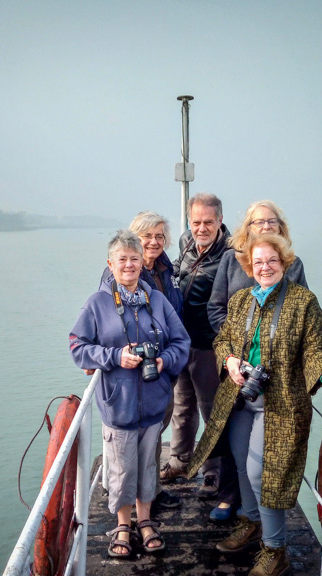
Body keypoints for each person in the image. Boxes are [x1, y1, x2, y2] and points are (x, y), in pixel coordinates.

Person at [187, 233, 322, 576]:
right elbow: (224, 339)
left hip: (281, 406)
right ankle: (250, 523)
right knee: (242, 466)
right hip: (241, 398)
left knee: (264, 475)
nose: (264, 267)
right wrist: (231, 361)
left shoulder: (303, 302)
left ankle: (276, 550)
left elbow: (316, 347)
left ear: (284, 263)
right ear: (249, 266)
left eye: (271, 261)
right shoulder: (242, 301)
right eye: (258, 262)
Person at [69, 230, 190, 558]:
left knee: (148, 466)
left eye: (134, 259)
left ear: (142, 264)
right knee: (122, 469)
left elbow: (182, 342)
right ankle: (123, 525)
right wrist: (113, 358)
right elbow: (78, 346)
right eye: (122, 259)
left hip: (153, 402)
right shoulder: (98, 303)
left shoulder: (158, 301)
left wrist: (164, 362)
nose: (129, 265)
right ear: (110, 263)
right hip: (118, 405)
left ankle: (145, 520)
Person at [205, 200, 309, 522]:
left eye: (271, 221)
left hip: (275, 380)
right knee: (236, 445)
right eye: (257, 221)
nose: (265, 226)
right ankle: (238, 507)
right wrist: (236, 347)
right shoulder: (231, 261)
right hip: (237, 369)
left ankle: (269, 540)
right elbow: (216, 308)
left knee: (258, 462)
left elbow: (304, 321)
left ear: (281, 227)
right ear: (246, 228)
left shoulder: (294, 265)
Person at [96, 212, 183, 512]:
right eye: (147, 236)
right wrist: (109, 357)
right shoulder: (118, 277)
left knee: (154, 432)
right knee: (128, 443)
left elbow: (174, 314)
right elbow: (103, 325)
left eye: (160, 236)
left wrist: (169, 358)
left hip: (160, 368)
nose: (154, 241)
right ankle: (129, 506)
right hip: (128, 375)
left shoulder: (164, 268)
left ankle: (151, 492)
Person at [160, 193, 233, 499]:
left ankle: (213, 470)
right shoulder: (186, 242)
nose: (201, 228)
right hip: (182, 343)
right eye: (196, 221)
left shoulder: (231, 254)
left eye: (208, 222)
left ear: (219, 220)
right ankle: (179, 460)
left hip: (209, 345)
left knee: (210, 410)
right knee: (181, 406)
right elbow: (177, 270)